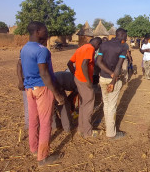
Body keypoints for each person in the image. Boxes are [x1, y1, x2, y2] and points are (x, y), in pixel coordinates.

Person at [20, 21, 65, 166]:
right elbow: (45, 74)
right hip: (42, 88)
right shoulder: (42, 50)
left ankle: (34, 148)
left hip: (29, 89)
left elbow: (19, 65)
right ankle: (43, 157)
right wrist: (56, 93)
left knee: (33, 120)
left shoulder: (25, 48)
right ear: (38, 31)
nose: (47, 32)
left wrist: (21, 81)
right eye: (45, 29)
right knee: (46, 122)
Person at [67, 37, 102, 138]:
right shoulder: (90, 48)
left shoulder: (80, 48)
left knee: (83, 104)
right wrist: (88, 81)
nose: (97, 49)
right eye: (99, 46)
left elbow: (69, 63)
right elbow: (84, 64)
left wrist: (75, 74)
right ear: (97, 44)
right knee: (88, 106)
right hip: (84, 80)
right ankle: (87, 132)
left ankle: (81, 128)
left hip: (78, 79)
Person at [97, 28, 128, 139]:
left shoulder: (104, 45)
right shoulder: (123, 47)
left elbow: (98, 62)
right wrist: (113, 79)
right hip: (113, 80)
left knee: (106, 103)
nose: (126, 38)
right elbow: (118, 66)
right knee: (112, 106)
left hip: (102, 78)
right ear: (123, 35)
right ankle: (111, 133)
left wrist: (109, 73)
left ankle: (109, 128)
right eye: (126, 35)